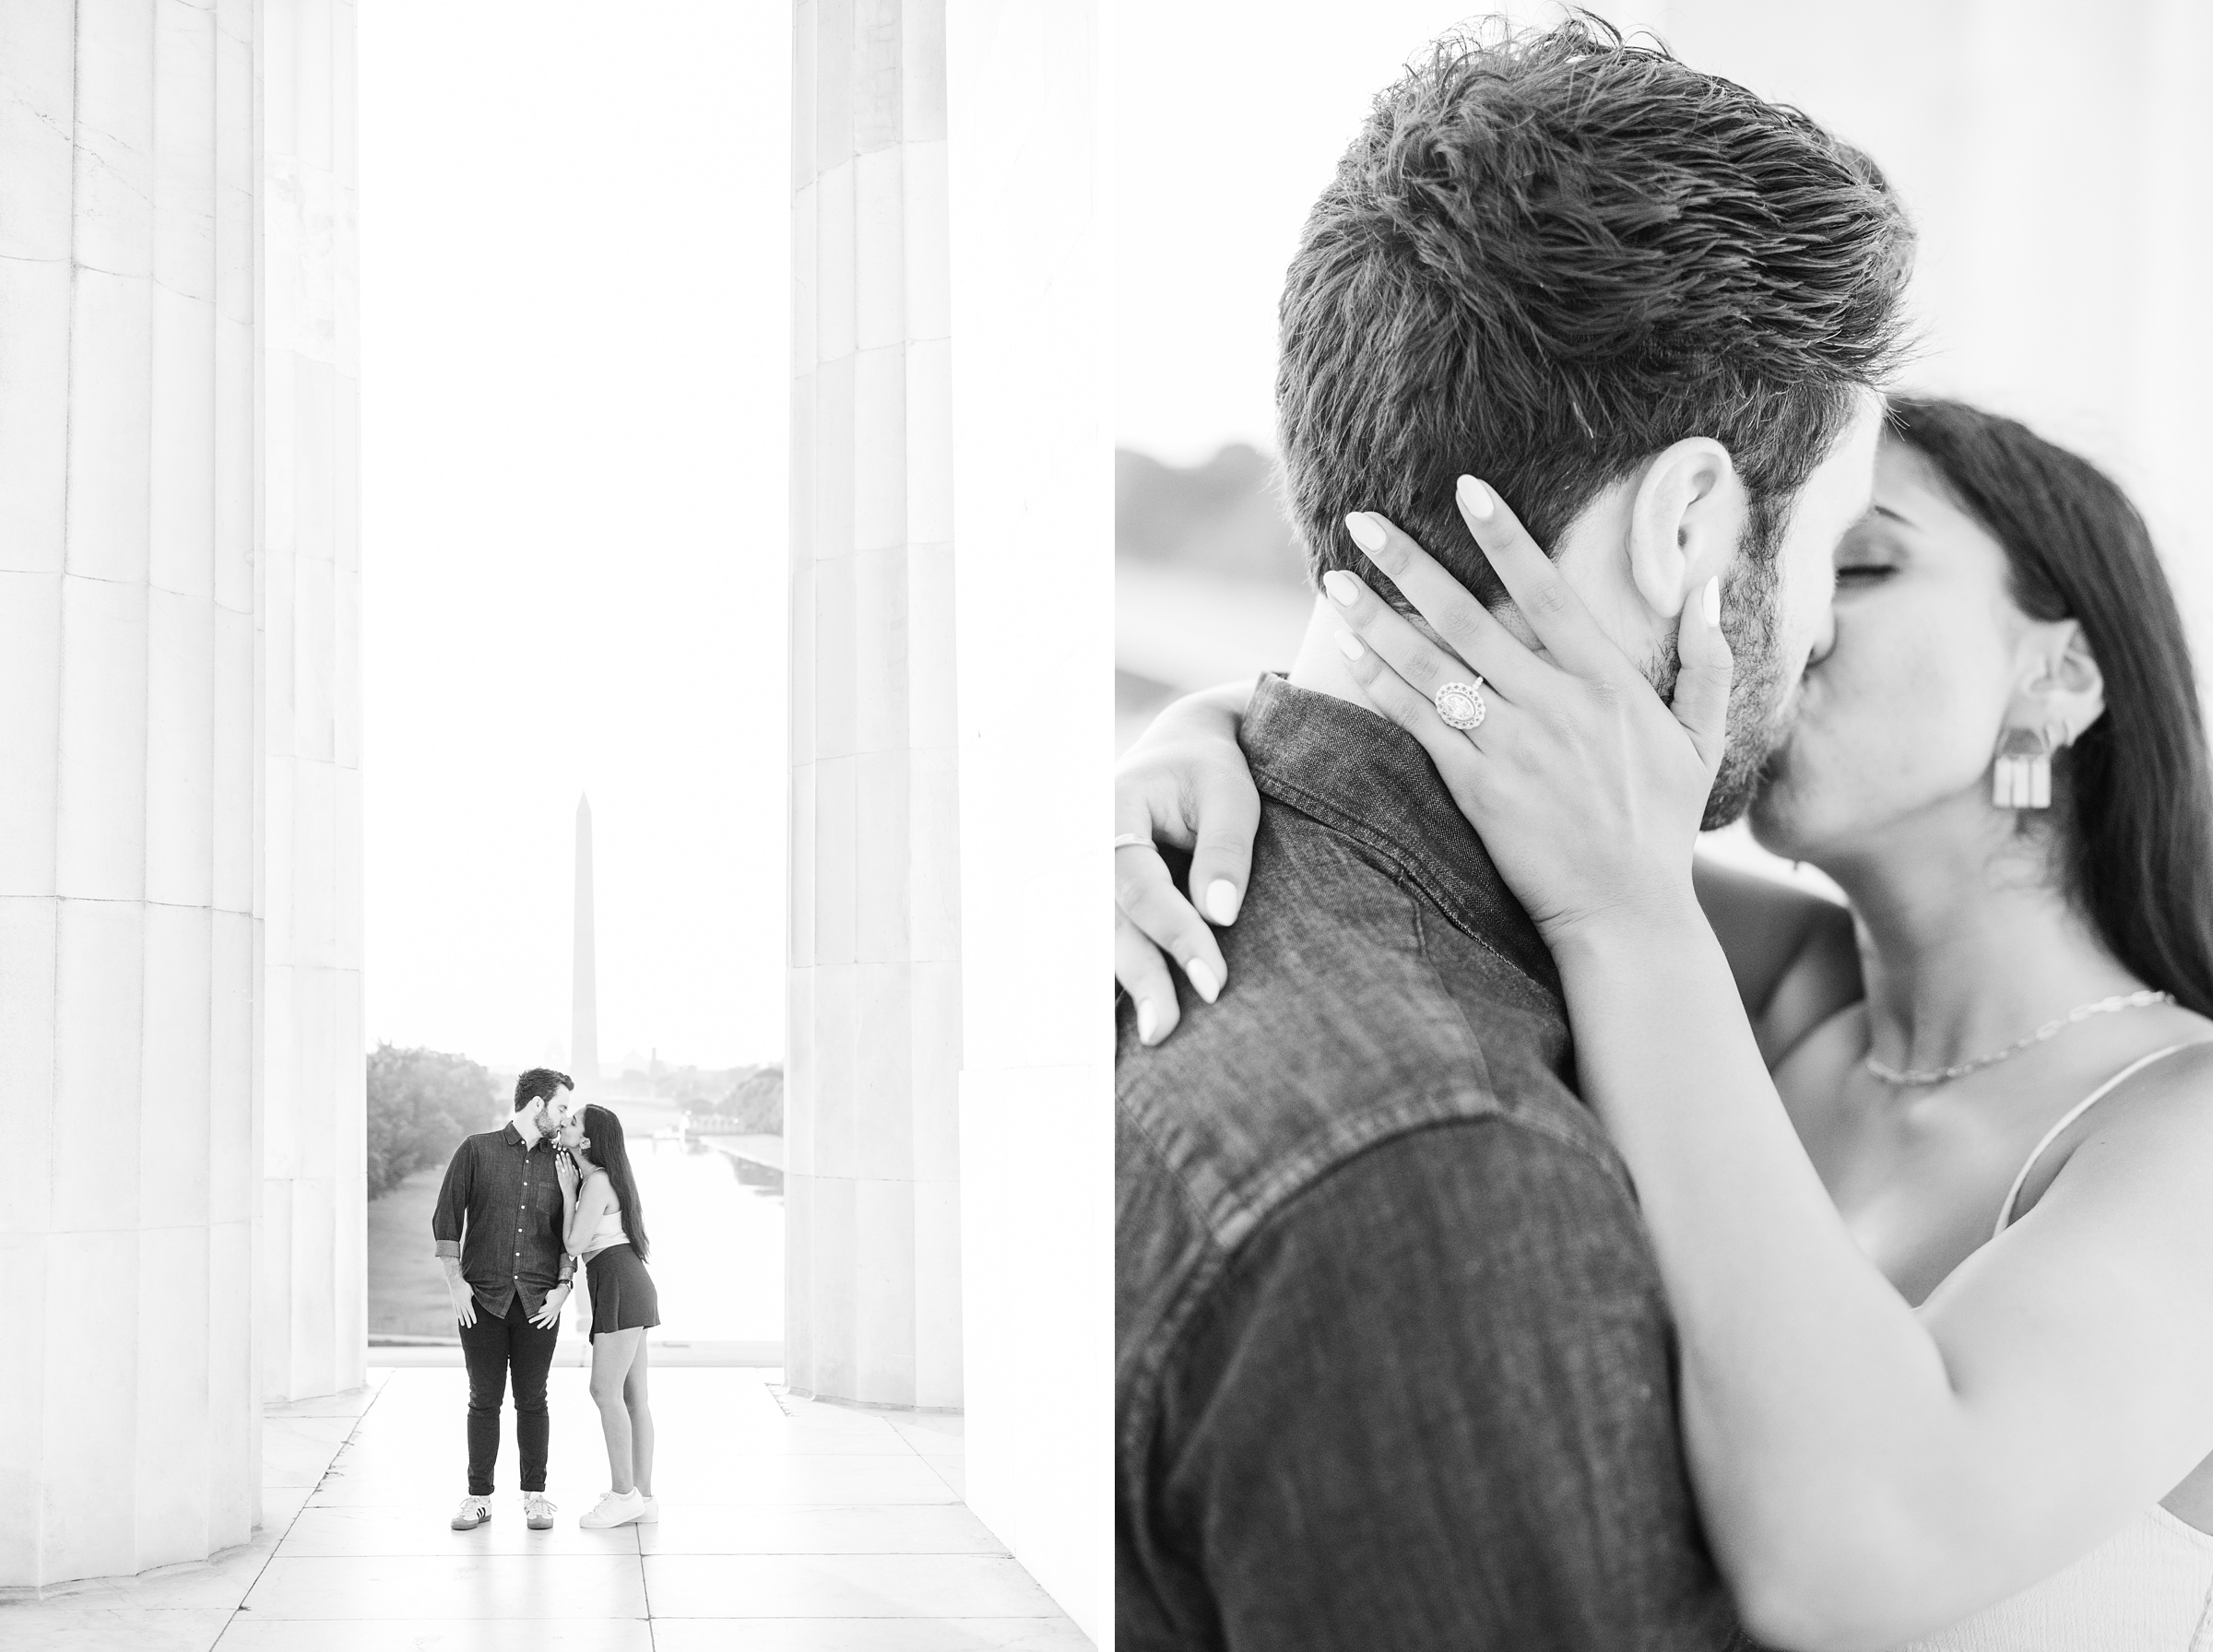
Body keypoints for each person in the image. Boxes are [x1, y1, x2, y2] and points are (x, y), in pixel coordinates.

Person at [1118, 402, 2213, 1647]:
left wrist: (1627, 911)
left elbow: (1863, 1550)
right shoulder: (1777, 990)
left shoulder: (2185, 1131)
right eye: (1793, 559)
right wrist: (1196, 742)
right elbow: (1426, 806)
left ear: (2058, 678)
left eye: (1863, 563)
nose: (1785, 625)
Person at [1114, 18, 1912, 1650]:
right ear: (1694, 526)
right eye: (1838, 544)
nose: (1823, 625)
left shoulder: (1171, 900)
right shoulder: (1446, 1181)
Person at [432, 1067, 577, 1533]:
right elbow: (446, 1219)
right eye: (561, 1107)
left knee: (533, 1400)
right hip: (482, 1301)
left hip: (540, 1304)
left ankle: (536, 1498)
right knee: (483, 1400)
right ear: (537, 1106)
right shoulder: (476, 1151)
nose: (564, 1116)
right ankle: (478, 1498)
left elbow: (569, 1236)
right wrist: (456, 1283)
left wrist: (563, 1287)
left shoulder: (563, 1164)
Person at [557, 1102, 662, 1529]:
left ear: (586, 1140)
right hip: (627, 1279)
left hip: (618, 1279)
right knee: (634, 1398)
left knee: (604, 1392)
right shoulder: (604, 1178)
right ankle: (643, 1497)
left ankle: (623, 1495)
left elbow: (574, 1244)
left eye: (573, 1120)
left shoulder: (596, 1181)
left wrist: (568, 1194)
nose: (564, 1122)